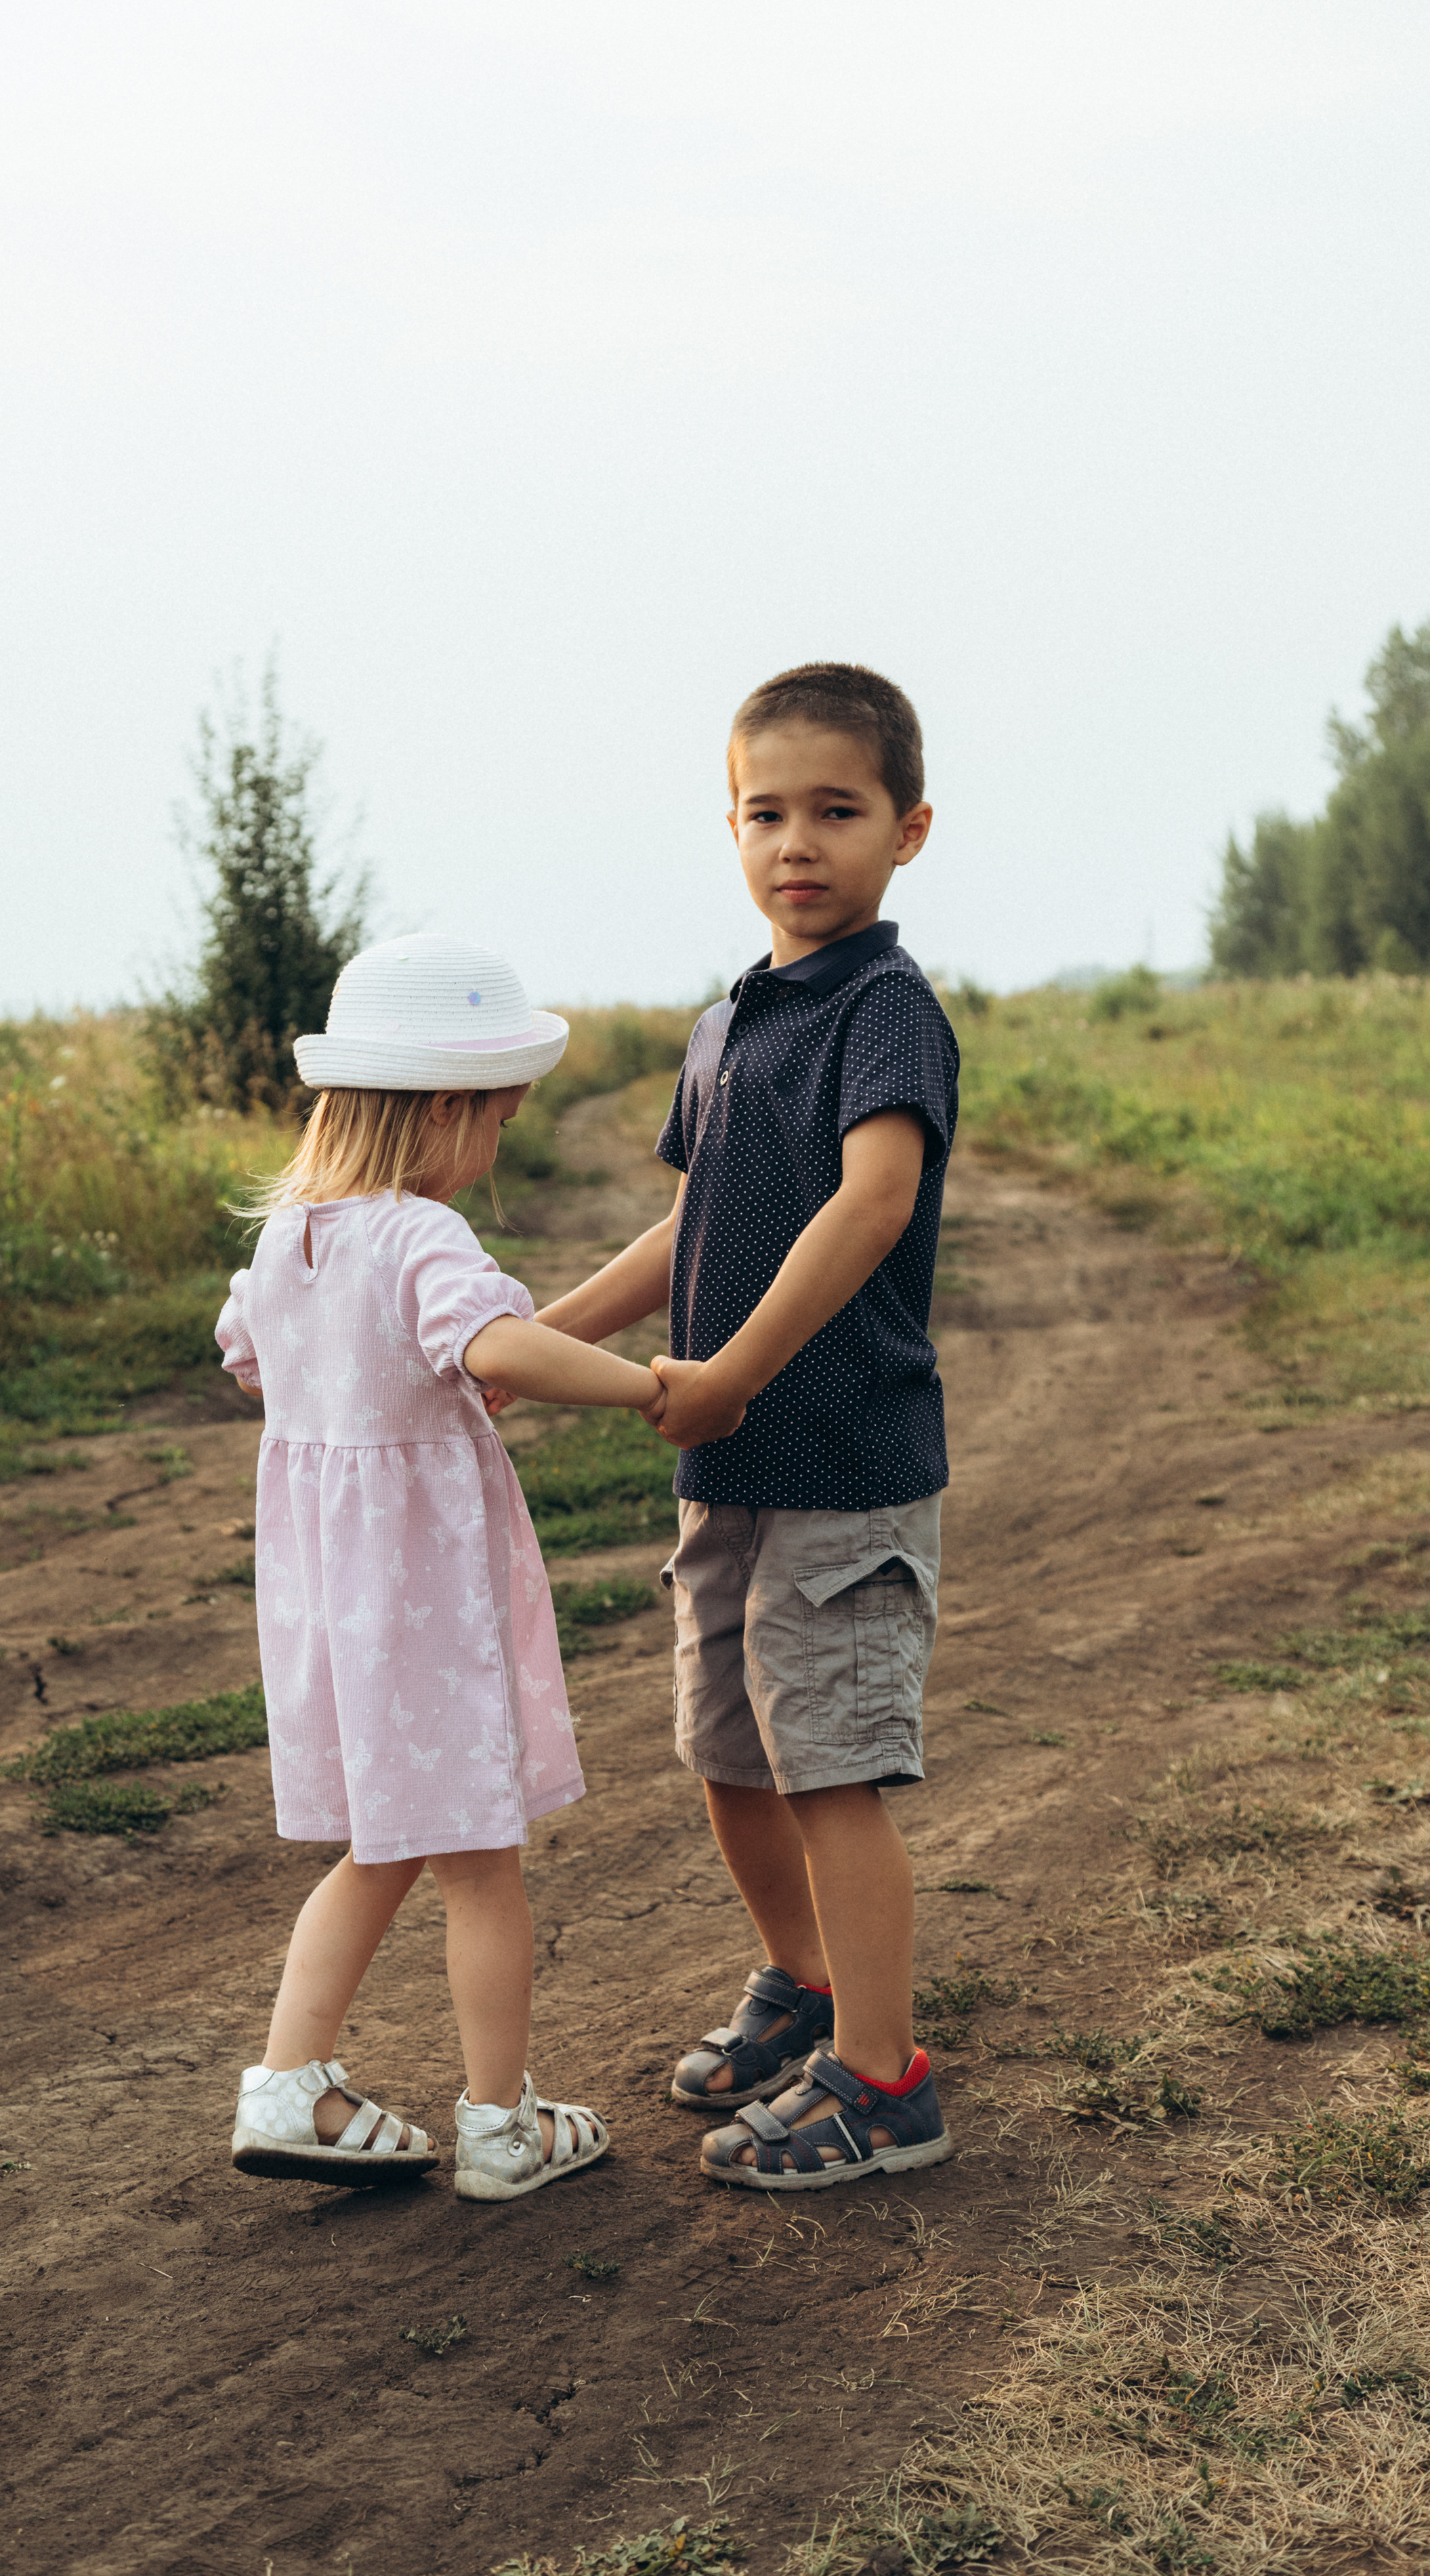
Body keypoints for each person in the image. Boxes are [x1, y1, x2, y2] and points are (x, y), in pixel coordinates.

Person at [534, 662, 960, 2190]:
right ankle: (810, 1982)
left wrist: (730, 1373)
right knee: (727, 1749)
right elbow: (686, 1225)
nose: (798, 842)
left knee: (828, 1765)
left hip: (839, 1457)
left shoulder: (883, 1010)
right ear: (727, 827)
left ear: (904, 832)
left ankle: (883, 2080)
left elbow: (872, 1202)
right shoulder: (729, 1024)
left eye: (834, 812)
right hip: (727, 1468)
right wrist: (536, 1340)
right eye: (765, 812)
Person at [215, 933, 666, 2202]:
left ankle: (288, 2083)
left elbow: (248, 1357)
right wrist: (649, 1389)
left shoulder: (286, 1243)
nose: (498, 1146)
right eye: (500, 1121)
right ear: (450, 1108)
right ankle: (500, 2126)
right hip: (424, 1610)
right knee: (478, 1864)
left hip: (332, 1615)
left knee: (379, 1848)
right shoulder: (419, 1236)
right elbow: (502, 1351)